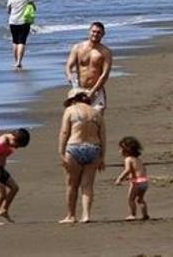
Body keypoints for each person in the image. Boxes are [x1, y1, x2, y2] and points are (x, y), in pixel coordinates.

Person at [59, 88, 106, 223]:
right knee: (87, 185)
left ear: (73, 100)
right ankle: (86, 215)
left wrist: (61, 152)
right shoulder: (96, 113)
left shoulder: (70, 111)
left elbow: (64, 132)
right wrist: (102, 156)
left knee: (71, 184)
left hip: (74, 147)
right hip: (93, 148)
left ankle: (71, 215)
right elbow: (102, 136)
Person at [0, 128, 30, 226]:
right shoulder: (3, 141)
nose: (16, 148)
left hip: (1, 169)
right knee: (2, 194)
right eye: (17, 145)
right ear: (15, 139)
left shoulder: (10, 140)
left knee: (15, 188)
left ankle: (4, 210)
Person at [65, 22, 113, 111]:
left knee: (96, 119)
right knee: (75, 117)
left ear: (103, 34)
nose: (95, 34)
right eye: (93, 31)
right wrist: (69, 75)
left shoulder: (106, 52)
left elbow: (105, 75)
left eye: (99, 32)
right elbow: (69, 66)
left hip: (96, 90)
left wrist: (93, 92)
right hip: (78, 88)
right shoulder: (77, 48)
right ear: (89, 31)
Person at [114, 136, 150, 221]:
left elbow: (127, 170)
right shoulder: (138, 159)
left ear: (126, 150)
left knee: (131, 199)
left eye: (120, 149)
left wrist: (120, 179)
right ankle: (145, 214)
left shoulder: (128, 159)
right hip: (144, 181)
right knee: (140, 199)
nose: (119, 151)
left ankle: (132, 214)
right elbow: (142, 169)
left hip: (136, 182)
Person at [6, 0, 36, 69]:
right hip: (24, 22)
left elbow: (8, 11)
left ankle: (15, 62)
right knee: (22, 42)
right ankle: (19, 62)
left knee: (15, 42)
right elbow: (34, 7)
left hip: (13, 21)